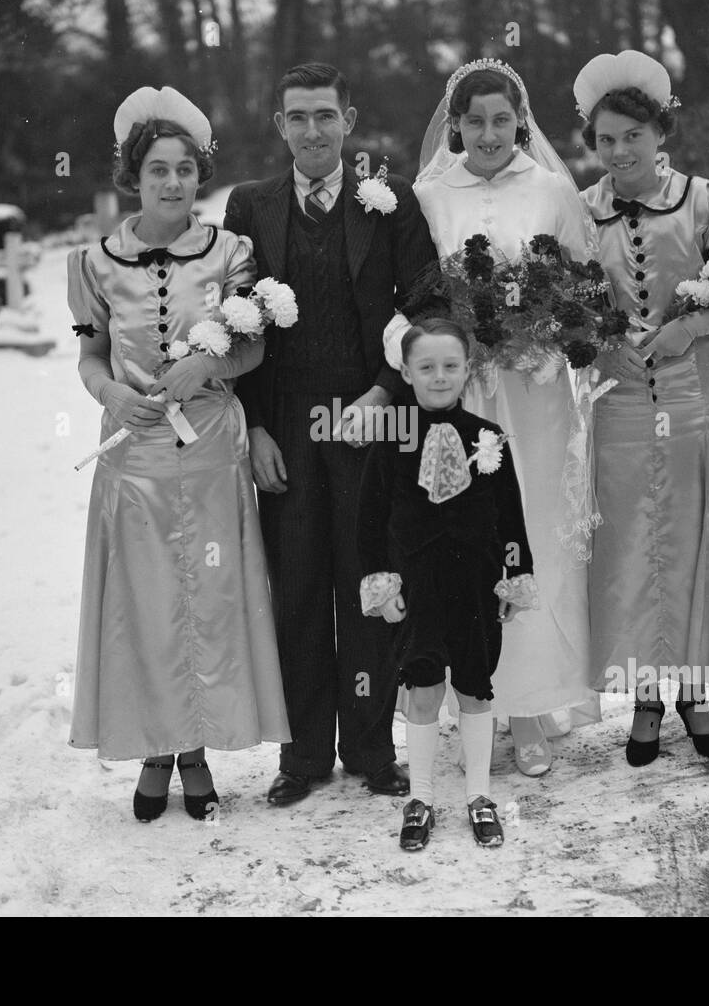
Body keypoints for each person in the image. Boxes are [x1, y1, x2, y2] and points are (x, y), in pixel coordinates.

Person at [67, 86, 290, 821]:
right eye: (158, 169)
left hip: (209, 454)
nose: (173, 183)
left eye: (186, 170)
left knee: (210, 603)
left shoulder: (227, 252)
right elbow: (92, 357)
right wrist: (108, 397)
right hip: (135, 461)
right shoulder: (95, 263)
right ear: (134, 176)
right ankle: (156, 748)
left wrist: (211, 366)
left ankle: (195, 751)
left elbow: (253, 346)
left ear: (201, 176)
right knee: (149, 607)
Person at [224, 63, 440, 806]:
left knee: (372, 584)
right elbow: (233, 330)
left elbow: (425, 302)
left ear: (349, 120)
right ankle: (304, 753)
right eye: (297, 117)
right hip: (287, 422)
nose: (312, 130)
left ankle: (375, 751)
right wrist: (254, 428)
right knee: (300, 587)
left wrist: (384, 391)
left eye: (325, 115)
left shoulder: (390, 203)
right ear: (279, 126)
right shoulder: (250, 206)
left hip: (371, 417)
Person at [383, 59, 602, 777]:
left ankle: (530, 707)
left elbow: (583, 286)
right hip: (457, 397)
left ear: (521, 122)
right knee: (459, 542)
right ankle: (469, 693)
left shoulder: (549, 191)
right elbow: (405, 300)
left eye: (501, 120)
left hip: (531, 396)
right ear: (454, 126)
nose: (487, 134)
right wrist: (426, 352)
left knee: (525, 534)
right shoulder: (427, 195)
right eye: (473, 121)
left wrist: (541, 327)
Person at [573, 51, 709, 766]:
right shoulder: (581, 211)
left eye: (633, 135)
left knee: (693, 547)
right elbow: (565, 311)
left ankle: (693, 693)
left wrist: (686, 328)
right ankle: (643, 698)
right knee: (631, 554)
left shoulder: (706, 199)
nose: (620, 150)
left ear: (661, 133)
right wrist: (599, 348)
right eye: (606, 139)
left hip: (694, 403)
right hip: (621, 408)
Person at [358, 318, 539, 849]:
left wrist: (514, 579)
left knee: (475, 688)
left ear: (466, 369)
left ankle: (479, 796)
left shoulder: (488, 437)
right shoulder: (389, 444)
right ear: (407, 373)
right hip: (416, 588)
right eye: (427, 367)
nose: (440, 377)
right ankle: (421, 798)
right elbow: (368, 525)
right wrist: (381, 587)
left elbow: (511, 519)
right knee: (422, 688)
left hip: (476, 585)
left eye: (450, 366)